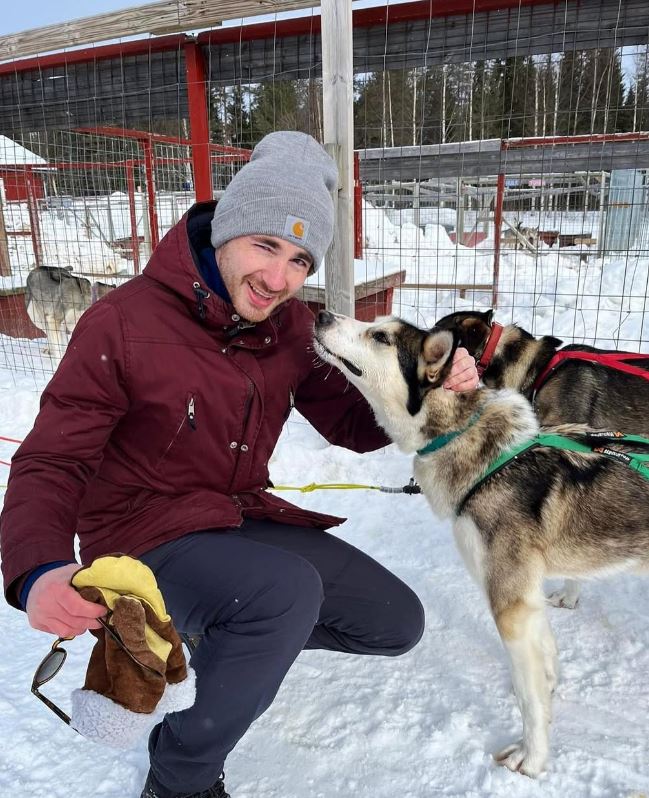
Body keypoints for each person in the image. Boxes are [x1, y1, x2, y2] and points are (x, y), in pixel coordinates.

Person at [0, 131, 477, 798]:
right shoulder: (122, 323)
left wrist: (431, 391)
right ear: (225, 232)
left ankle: (223, 644)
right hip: (138, 533)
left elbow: (351, 422)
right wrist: (38, 568)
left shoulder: (285, 328)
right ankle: (181, 773)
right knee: (281, 594)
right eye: (265, 245)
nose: (278, 278)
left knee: (393, 623)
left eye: (300, 261)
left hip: (233, 516)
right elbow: (52, 458)